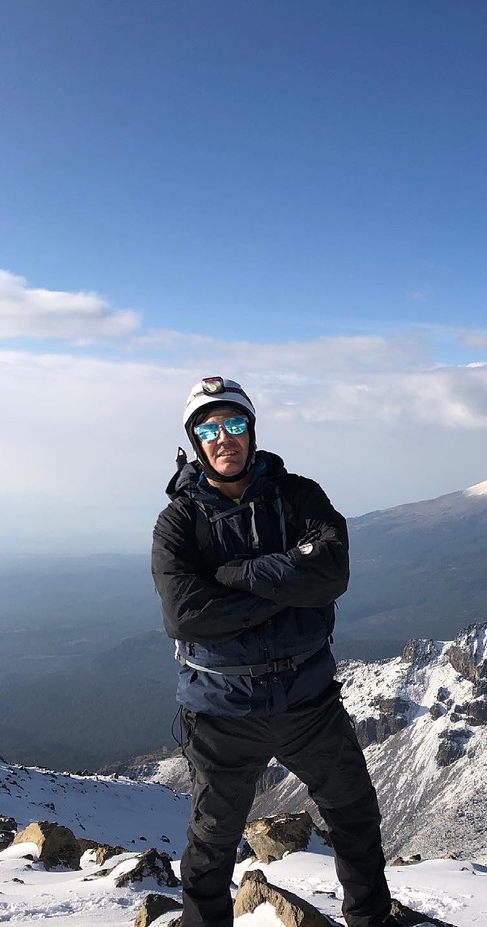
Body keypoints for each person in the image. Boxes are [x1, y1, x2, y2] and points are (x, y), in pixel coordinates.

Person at [152, 375, 397, 927]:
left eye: (234, 424)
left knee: (354, 814)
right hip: (222, 711)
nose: (224, 438)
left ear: (252, 430)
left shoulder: (298, 494)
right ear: (195, 441)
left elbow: (331, 571)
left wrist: (232, 576)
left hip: (307, 700)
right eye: (209, 429)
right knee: (213, 838)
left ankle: (370, 919)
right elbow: (185, 615)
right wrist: (287, 590)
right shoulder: (179, 522)